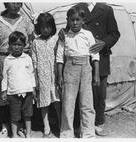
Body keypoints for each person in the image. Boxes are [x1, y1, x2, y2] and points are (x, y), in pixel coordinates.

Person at [73, 2, 120, 136]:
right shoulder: (78, 7)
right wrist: (62, 33)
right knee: (79, 91)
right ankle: (79, 123)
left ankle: (99, 122)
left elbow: (115, 33)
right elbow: (70, 28)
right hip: (81, 56)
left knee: (99, 92)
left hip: (101, 55)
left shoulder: (106, 9)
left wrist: (104, 43)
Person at [0, 2, 33, 137]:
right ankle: (5, 126)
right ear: (6, 3)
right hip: (3, 61)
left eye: (19, 3)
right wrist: (1, 63)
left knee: (20, 94)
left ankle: (19, 126)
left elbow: (32, 39)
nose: (16, 5)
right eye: (13, 2)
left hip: (21, 60)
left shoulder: (25, 21)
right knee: (4, 95)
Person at [56, 6, 100, 138]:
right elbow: (59, 57)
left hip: (86, 68)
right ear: (67, 20)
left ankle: (87, 133)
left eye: (78, 20)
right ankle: (66, 133)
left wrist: (96, 74)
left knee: (87, 103)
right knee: (68, 103)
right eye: (72, 20)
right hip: (70, 68)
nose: (75, 23)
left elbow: (95, 55)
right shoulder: (64, 36)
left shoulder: (88, 35)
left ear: (83, 21)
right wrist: (59, 76)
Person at [32, 12, 61, 138]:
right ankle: (46, 127)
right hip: (42, 75)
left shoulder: (56, 40)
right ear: (39, 28)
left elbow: (60, 57)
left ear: (52, 27)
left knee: (57, 100)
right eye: (43, 27)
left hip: (54, 74)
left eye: (48, 27)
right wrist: (35, 79)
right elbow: (34, 61)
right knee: (43, 102)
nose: (45, 30)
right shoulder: (36, 42)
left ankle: (61, 124)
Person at [1, 31, 35, 138]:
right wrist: (4, 91)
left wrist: (33, 88)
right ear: (10, 45)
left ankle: (28, 133)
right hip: (13, 93)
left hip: (27, 92)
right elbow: (4, 77)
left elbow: (31, 75)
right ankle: (14, 135)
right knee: (14, 116)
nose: (17, 47)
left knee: (28, 114)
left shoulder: (27, 58)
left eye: (19, 45)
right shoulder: (7, 60)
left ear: (24, 46)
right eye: (14, 44)